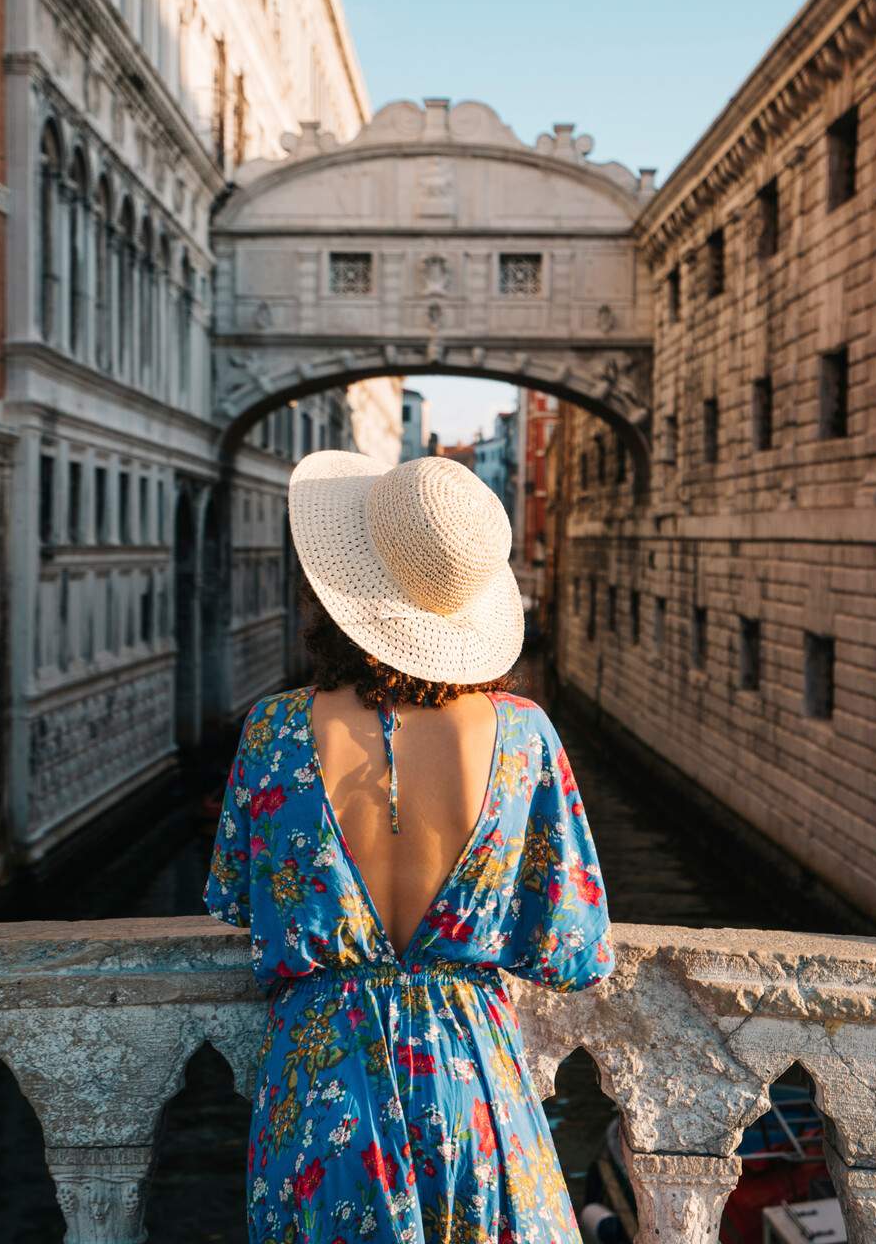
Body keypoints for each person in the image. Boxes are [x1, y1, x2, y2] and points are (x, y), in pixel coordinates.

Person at [203, 449, 615, 1243]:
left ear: (337, 594)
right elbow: (576, 952)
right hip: (475, 1092)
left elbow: (237, 900)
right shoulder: (525, 736)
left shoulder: (275, 731)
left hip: (323, 1096)